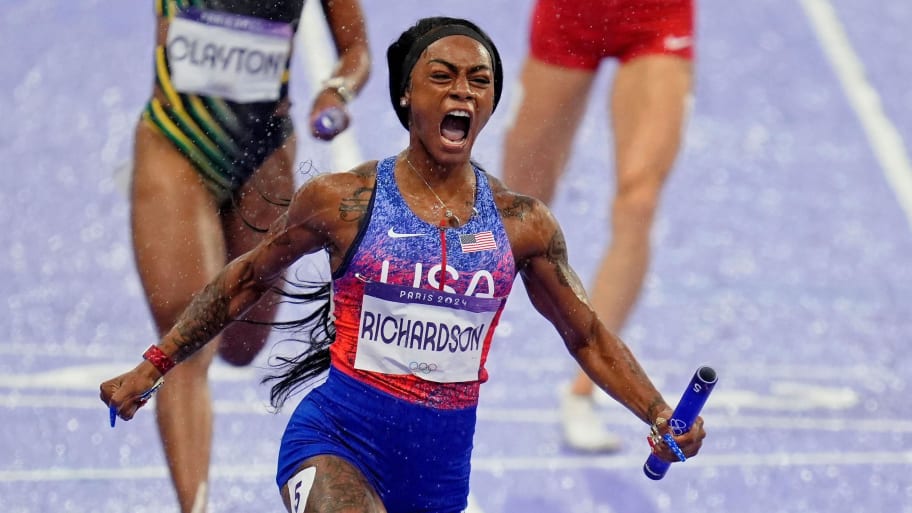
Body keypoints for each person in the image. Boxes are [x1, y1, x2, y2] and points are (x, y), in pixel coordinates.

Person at [102, 16, 705, 513]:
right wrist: (156, 364)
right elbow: (246, 279)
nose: (461, 92)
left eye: (478, 80)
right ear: (404, 96)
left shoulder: (523, 225)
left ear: (491, 100)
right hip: (332, 444)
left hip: (437, 484)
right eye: (441, 77)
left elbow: (589, 336)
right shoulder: (343, 202)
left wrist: (657, 413)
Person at [128, 1, 370, 512]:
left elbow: (356, 50)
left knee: (241, 344)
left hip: (264, 153)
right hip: (177, 142)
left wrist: (337, 92)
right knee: (187, 342)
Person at [501, 0, 695, 452]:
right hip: (571, 13)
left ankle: (584, 391)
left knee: (639, 201)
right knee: (514, 209)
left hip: (656, 16)